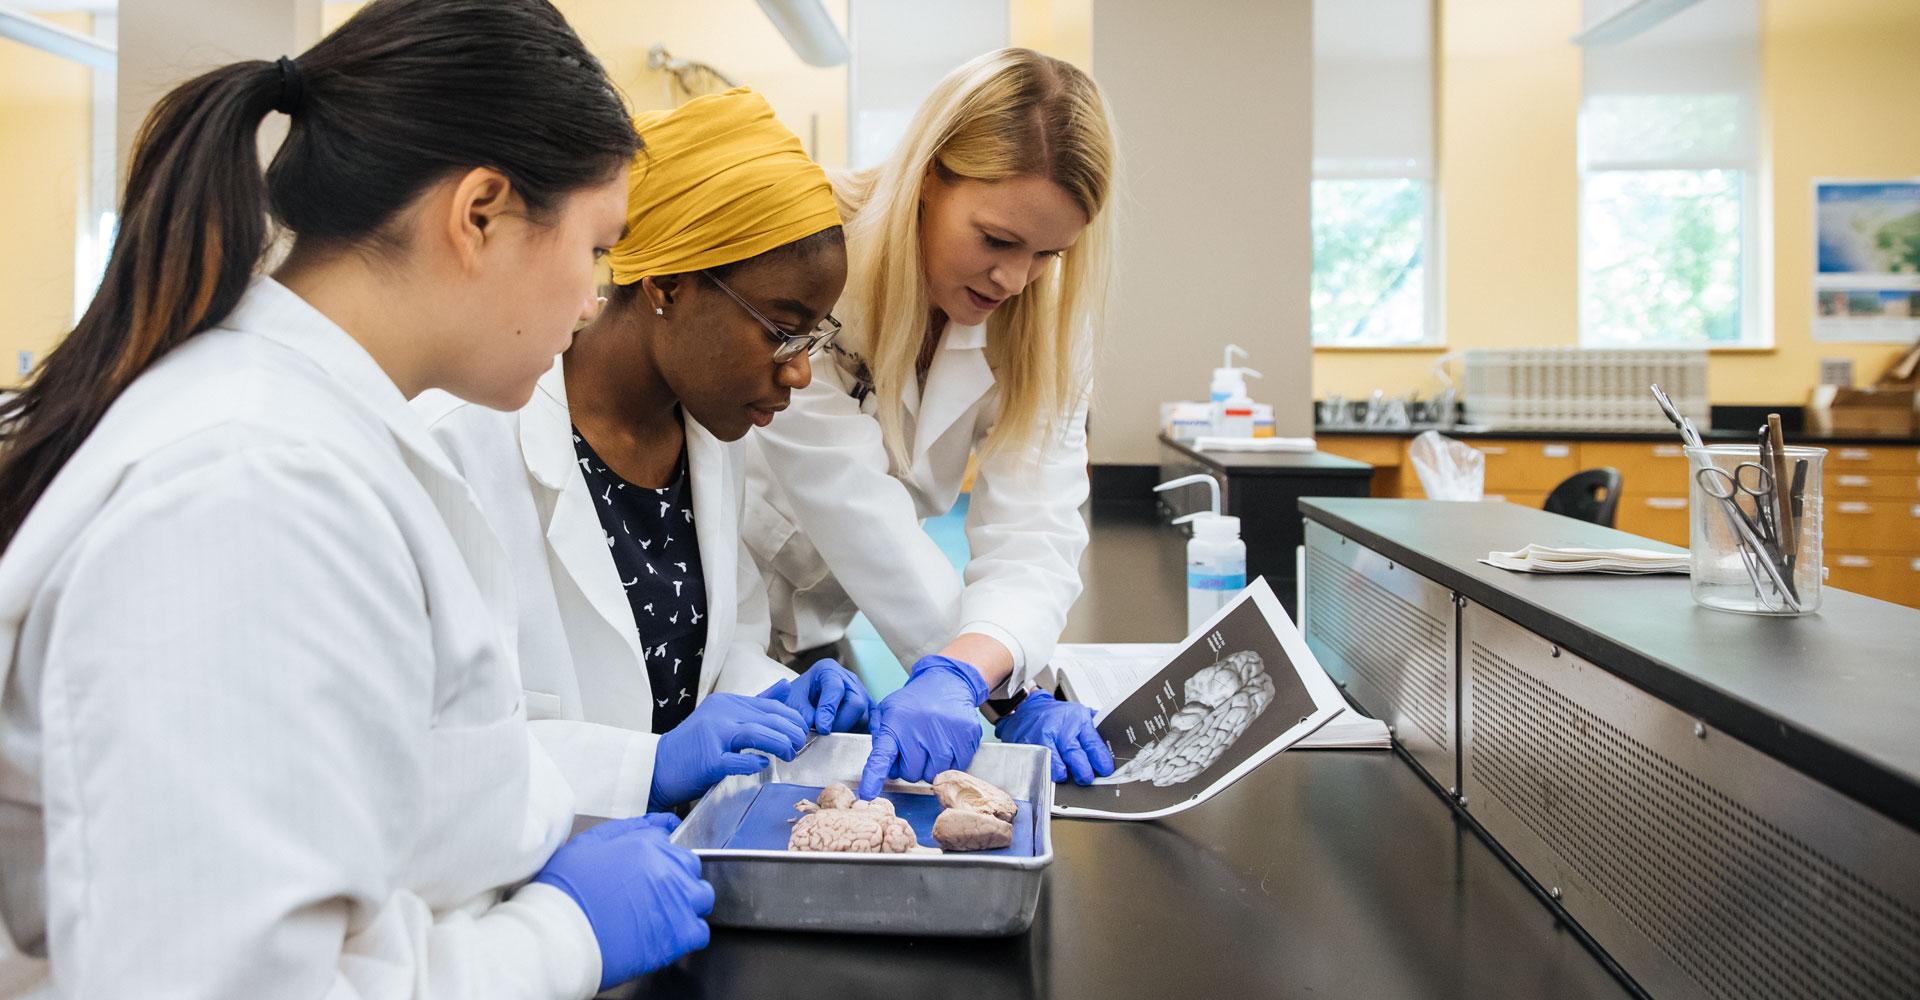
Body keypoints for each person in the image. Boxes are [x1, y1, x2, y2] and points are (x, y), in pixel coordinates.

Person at [0, 1, 710, 995]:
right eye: (596, 249)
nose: (595, 299)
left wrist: (629, 775)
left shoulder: (323, 434)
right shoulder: (247, 490)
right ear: (481, 214)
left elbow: (404, 769)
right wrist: (560, 938)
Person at [417, 87, 869, 821]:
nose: (799, 372)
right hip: (531, 879)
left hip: (689, 854)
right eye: (782, 329)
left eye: (814, 336)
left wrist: (772, 694)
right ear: (669, 286)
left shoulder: (710, 438)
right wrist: (643, 768)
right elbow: (432, 748)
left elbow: (715, 657)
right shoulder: (459, 445)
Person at [739, 48, 1120, 797]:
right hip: (729, 612)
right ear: (928, 177)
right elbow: (852, 505)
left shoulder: (1042, 318)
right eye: (996, 240)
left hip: (827, 636)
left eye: (1050, 253)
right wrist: (1000, 686)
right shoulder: (817, 260)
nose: (1014, 279)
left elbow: (1034, 530)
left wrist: (984, 663)